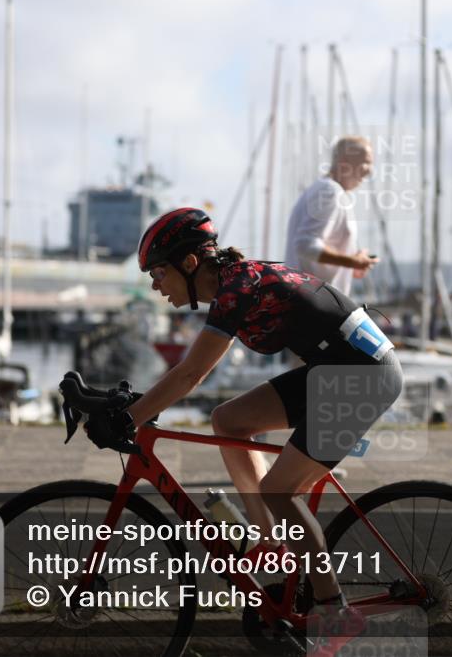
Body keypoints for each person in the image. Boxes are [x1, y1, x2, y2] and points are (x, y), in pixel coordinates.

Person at [118, 207, 403, 655]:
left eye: (158, 272)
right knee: (228, 421)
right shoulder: (234, 281)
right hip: (337, 369)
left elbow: (190, 373)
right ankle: (270, 542)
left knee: (278, 490)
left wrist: (129, 418)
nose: (155, 285)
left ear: (190, 264)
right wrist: (134, 409)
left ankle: (335, 609)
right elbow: (190, 374)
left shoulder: (237, 289)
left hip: (361, 377)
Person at [285, 135, 379, 296]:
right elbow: (305, 244)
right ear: (344, 163)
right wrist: (353, 261)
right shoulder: (329, 191)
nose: (370, 171)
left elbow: (309, 246)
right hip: (315, 303)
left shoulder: (320, 189)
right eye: (366, 162)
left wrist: (351, 264)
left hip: (306, 300)